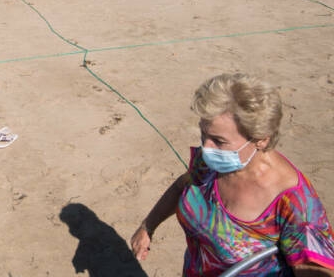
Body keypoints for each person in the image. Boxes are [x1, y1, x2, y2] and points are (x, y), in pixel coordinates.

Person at [130, 73, 334, 276]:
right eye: (203, 134)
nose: (206, 147)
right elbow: (181, 186)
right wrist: (148, 226)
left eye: (219, 141)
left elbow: (315, 270)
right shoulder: (213, 161)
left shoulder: (295, 204)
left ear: (261, 139)